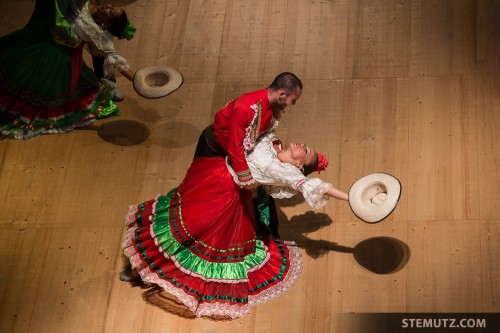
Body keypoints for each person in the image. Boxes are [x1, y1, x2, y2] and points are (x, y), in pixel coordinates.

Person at [121, 130, 348, 319]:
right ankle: (140, 269)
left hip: (226, 196)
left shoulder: (286, 172)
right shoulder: (274, 143)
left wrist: (351, 197)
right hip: (213, 176)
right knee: (176, 219)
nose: (302, 144)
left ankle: (143, 271)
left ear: (298, 165)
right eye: (306, 146)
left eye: (305, 151)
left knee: (192, 231)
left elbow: (316, 186)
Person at [0, 0, 136, 139]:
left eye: (111, 11)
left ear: (107, 23)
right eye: (111, 6)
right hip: (51, 35)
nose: (108, 6)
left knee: (45, 82)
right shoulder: (89, 5)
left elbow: (117, 62)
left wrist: (135, 79)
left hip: (61, 49)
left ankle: (107, 83)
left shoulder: (101, 36)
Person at [194, 72, 303, 236]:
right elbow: (235, 145)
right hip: (213, 150)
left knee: (251, 199)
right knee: (206, 199)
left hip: (237, 155)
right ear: (282, 94)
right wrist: (247, 178)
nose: (293, 104)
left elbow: (259, 136)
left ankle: (259, 233)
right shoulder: (245, 107)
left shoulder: (271, 108)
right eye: (293, 100)